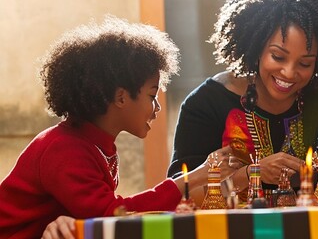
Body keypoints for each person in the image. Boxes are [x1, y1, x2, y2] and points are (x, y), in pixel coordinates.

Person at [0, 16, 210, 238]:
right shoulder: (64, 148)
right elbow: (111, 216)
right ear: (121, 97)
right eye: (152, 96)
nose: (157, 107)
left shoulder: (96, 143)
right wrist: (192, 178)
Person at [169, 0, 318, 196]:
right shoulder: (206, 104)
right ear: (256, 44)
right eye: (278, 56)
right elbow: (177, 196)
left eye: (304, 63)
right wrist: (249, 174)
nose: (288, 73)